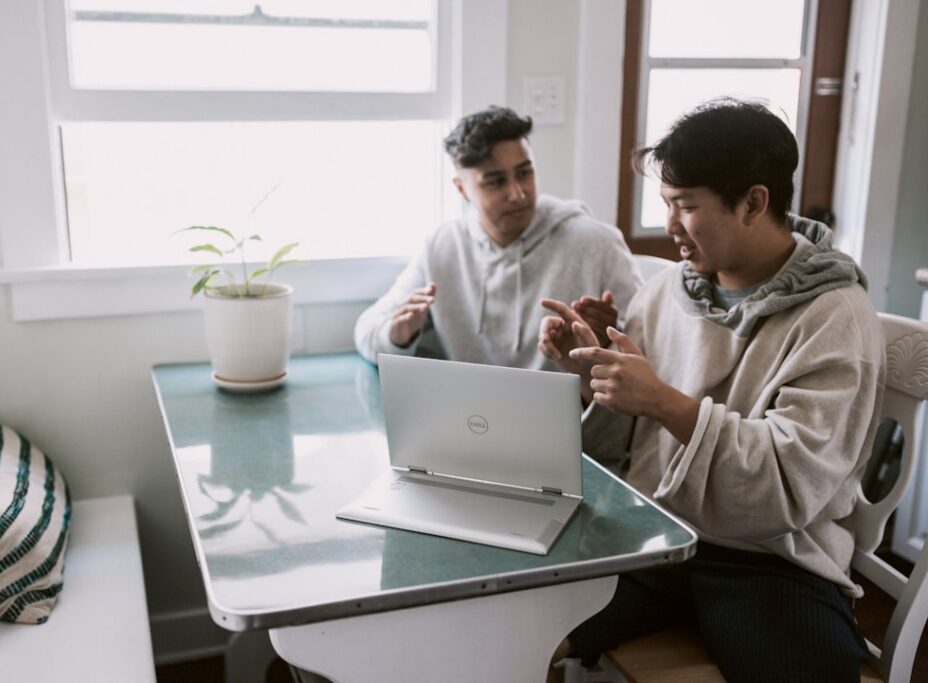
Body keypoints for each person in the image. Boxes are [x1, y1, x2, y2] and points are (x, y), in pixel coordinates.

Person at [539, 99, 885, 682]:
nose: (670, 225)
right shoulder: (666, 291)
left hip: (770, 561)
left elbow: (786, 489)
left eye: (686, 205)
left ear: (753, 202)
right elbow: (620, 453)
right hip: (654, 536)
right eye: (666, 204)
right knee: (520, 622)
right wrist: (592, 374)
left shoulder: (835, 316)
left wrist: (661, 400)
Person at [353, 106, 642, 370]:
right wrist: (397, 335)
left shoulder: (597, 243)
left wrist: (607, 341)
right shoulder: (442, 247)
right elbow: (367, 331)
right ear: (461, 189)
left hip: (568, 409)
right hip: (467, 407)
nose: (517, 193)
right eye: (496, 182)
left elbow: (649, 345)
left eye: (524, 173)